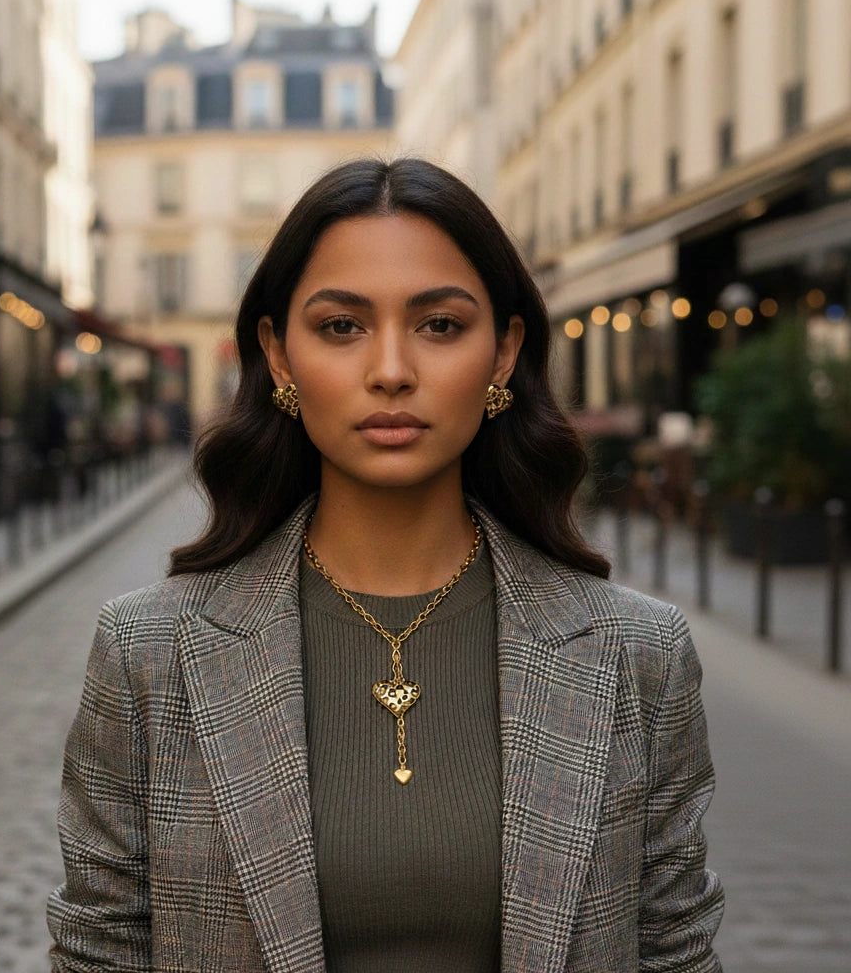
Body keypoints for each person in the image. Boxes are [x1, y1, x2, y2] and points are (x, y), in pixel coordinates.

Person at [47, 158, 724, 973]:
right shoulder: (147, 653)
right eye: (342, 326)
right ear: (280, 355)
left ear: (505, 353)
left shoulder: (635, 655)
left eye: (440, 325)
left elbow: (675, 953)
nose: (393, 369)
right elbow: (99, 953)